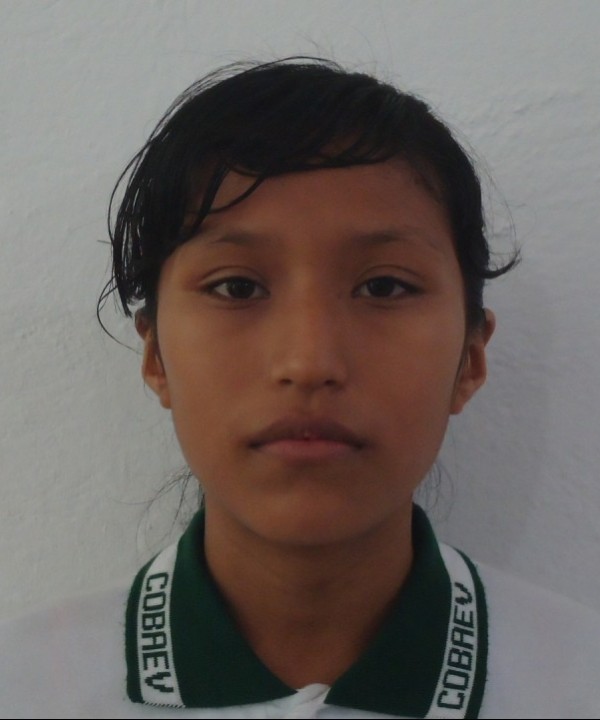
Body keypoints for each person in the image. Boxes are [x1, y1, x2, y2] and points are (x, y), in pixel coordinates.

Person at [1, 57, 599, 719]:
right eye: (236, 287)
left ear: (471, 359)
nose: (309, 362)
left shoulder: (578, 685)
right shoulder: (27, 689)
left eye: (384, 286)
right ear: (156, 356)